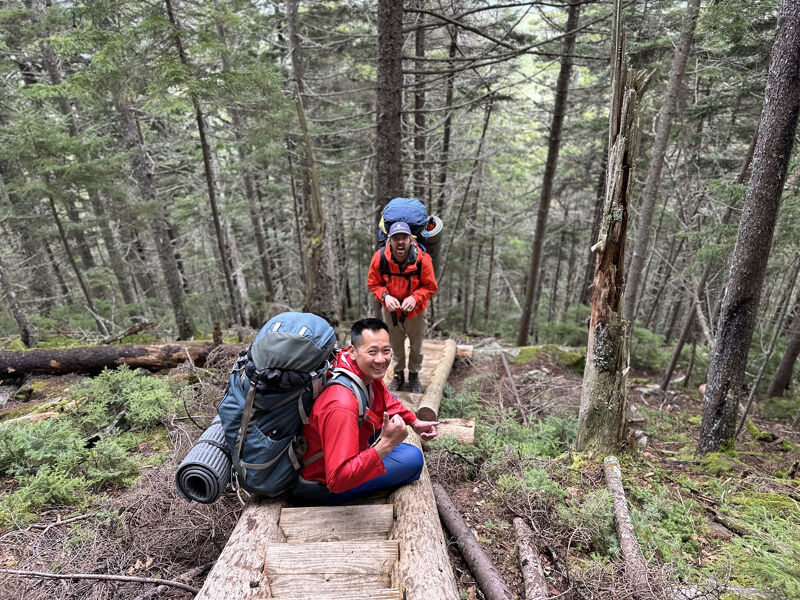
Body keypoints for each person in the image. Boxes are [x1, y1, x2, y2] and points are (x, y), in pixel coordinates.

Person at [293, 318, 438, 503]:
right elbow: (337, 480)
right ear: (352, 351)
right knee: (412, 458)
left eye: (386, 351)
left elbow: (385, 397)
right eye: (372, 351)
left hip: (333, 451)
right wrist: (386, 444)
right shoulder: (342, 404)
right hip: (322, 484)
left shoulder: (352, 366)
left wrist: (414, 422)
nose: (381, 359)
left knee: (388, 400)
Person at [367, 221, 438, 393]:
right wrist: (385, 296)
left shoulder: (423, 259)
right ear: (389, 240)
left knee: (416, 347)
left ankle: (414, 375)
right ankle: (398, 375)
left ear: (410, 239)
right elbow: (373, 283)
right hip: (391, 312)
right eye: (396, 238)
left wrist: (415, 298)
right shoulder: (380, 258)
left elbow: (430, 286)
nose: (400, 242)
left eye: (404, 238)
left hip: (416, 312)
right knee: (395, 345)